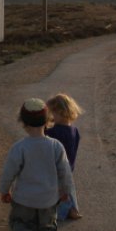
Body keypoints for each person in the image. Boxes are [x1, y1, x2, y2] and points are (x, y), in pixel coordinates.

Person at [0, 98, 73, 231]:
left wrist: (4, 190)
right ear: (48, 121)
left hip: (23, 199)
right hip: (48, 200)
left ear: (23, 123)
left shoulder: (19, 147)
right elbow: (65, 172)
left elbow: (8, 172)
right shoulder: (56, 146)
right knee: (45, 228)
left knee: (21, 224)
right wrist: (65, 191)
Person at [45, 93, 84, 221]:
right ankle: (73, 209)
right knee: (69, 188)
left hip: (57, 167)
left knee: (61, 192)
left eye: (53, 113)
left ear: (60, 113)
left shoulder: (55, 132)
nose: (51, 116)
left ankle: (66, 211)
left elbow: (42, 137)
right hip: (69, 165)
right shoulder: (74, 131)